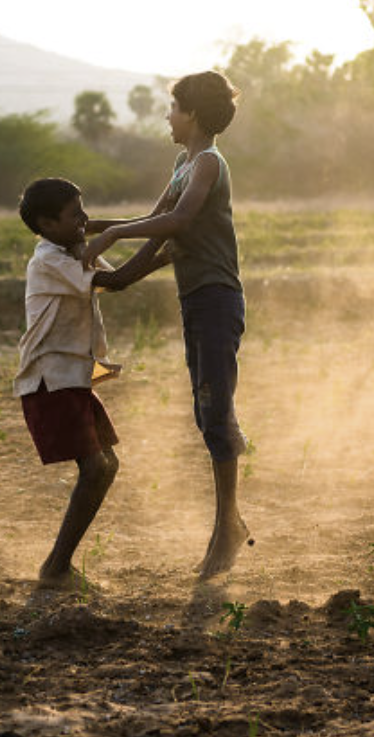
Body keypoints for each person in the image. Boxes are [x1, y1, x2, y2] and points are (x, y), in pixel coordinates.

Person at [83, 70, 249, 579]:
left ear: (193, 113)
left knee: (215, 414)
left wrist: (109, 239)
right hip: (196, 302)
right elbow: (153, 227)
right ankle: (230, 523)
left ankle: (226, 530)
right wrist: (97, 254)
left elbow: (176, 223)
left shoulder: (207, 165)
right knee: (207, 413)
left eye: (173, 107)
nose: (167, 116)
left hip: (218, 300)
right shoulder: (182, 164)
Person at [14, 177, 166, 589]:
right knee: (96, 466)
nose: (84, 220)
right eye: (74, 215)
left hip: (74, 378)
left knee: (106, 465)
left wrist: (158, 230)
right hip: (52, 380)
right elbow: (118, 281)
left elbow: (118, 268)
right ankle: (55, 569)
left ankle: (57, 566)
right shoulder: (49, 259)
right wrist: (166, 238)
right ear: (46, 224)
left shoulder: (71, 249)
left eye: (85, 212)